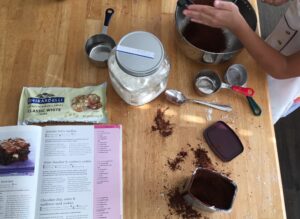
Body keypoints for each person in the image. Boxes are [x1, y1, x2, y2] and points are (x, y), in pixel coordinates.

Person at [183, 0, 300, 124]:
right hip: (262, 52)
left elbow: (283, 68)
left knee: (249, 122)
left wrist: (236, 25)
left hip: (279, 87)